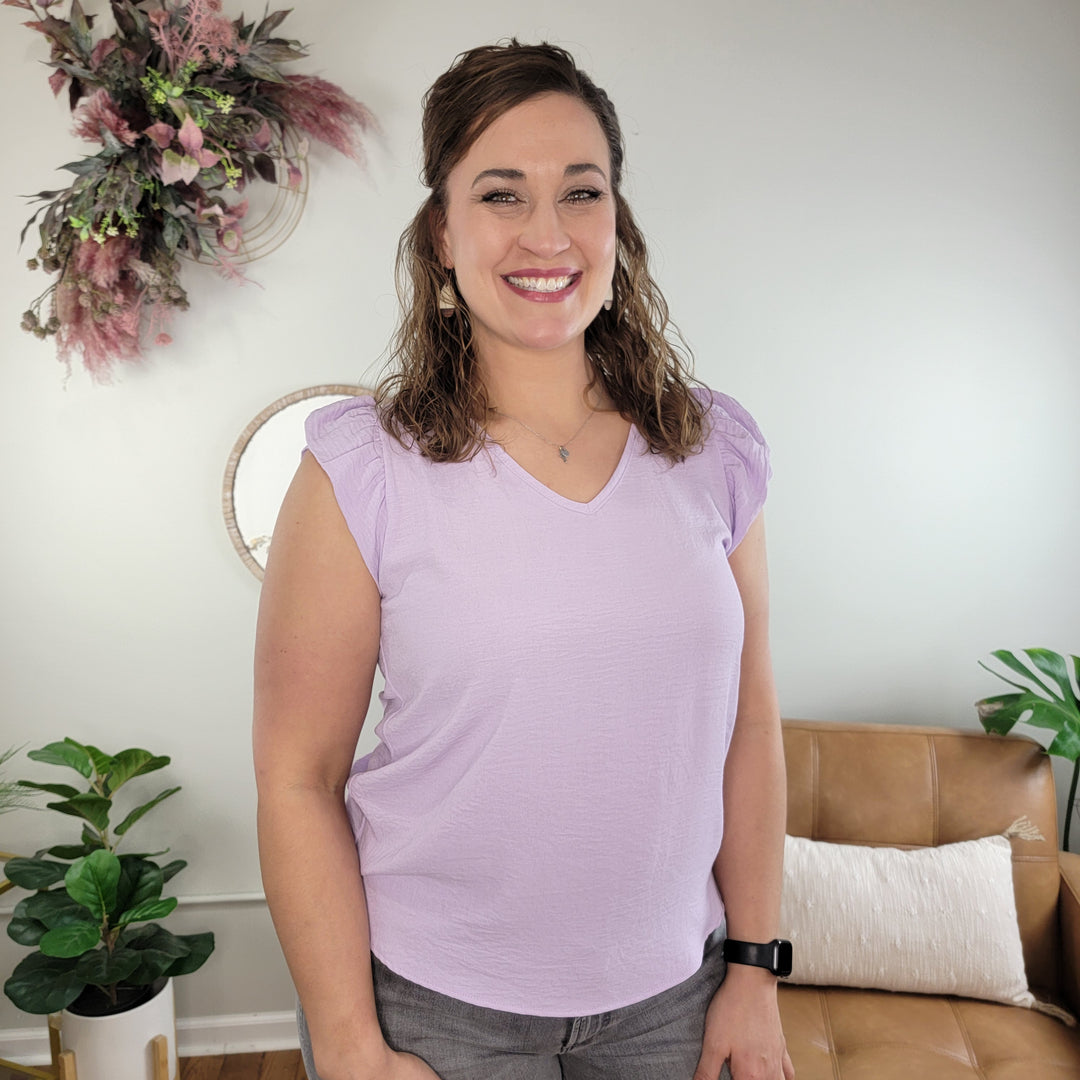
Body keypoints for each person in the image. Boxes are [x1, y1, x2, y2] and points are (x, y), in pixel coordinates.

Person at [253, 40, 794, 1080]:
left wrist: (755, 971)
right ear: (442, 234)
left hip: (673, 998)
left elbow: (752, 722)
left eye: (580, 192)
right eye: (502, 194)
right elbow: (297, 779)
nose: (546, 233)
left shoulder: (714, 448)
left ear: (617, 227)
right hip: (432, 1005)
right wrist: (353, 1045)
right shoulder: (359, 469)